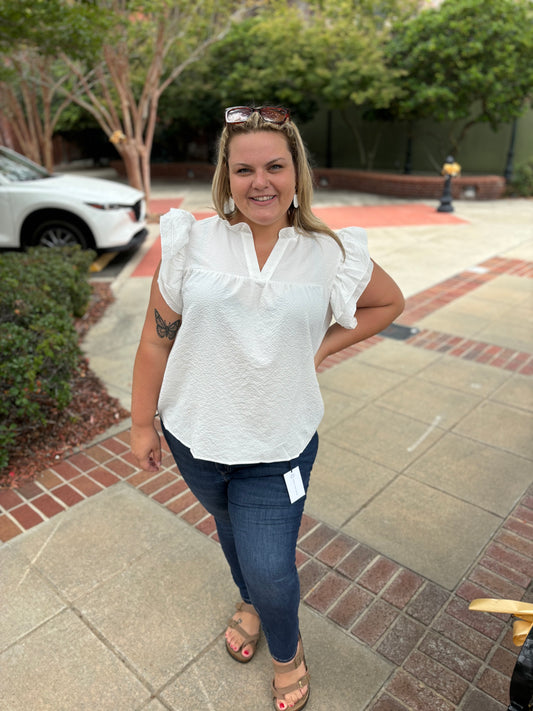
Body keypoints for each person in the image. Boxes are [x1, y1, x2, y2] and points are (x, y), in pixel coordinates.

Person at [130, 105, 404, 711]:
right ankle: (246, 601)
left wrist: (319, 348)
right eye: (245, 168)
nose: (261, 182)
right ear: (225, 176)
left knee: (273, 569)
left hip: (278, 441)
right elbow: (156, 339)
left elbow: (388, 303)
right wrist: (140, 423)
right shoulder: (192, 241)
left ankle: (288, 650)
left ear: (296, 172)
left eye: (275, 166)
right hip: (194, 436)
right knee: (231, 533)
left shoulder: (328, 253)